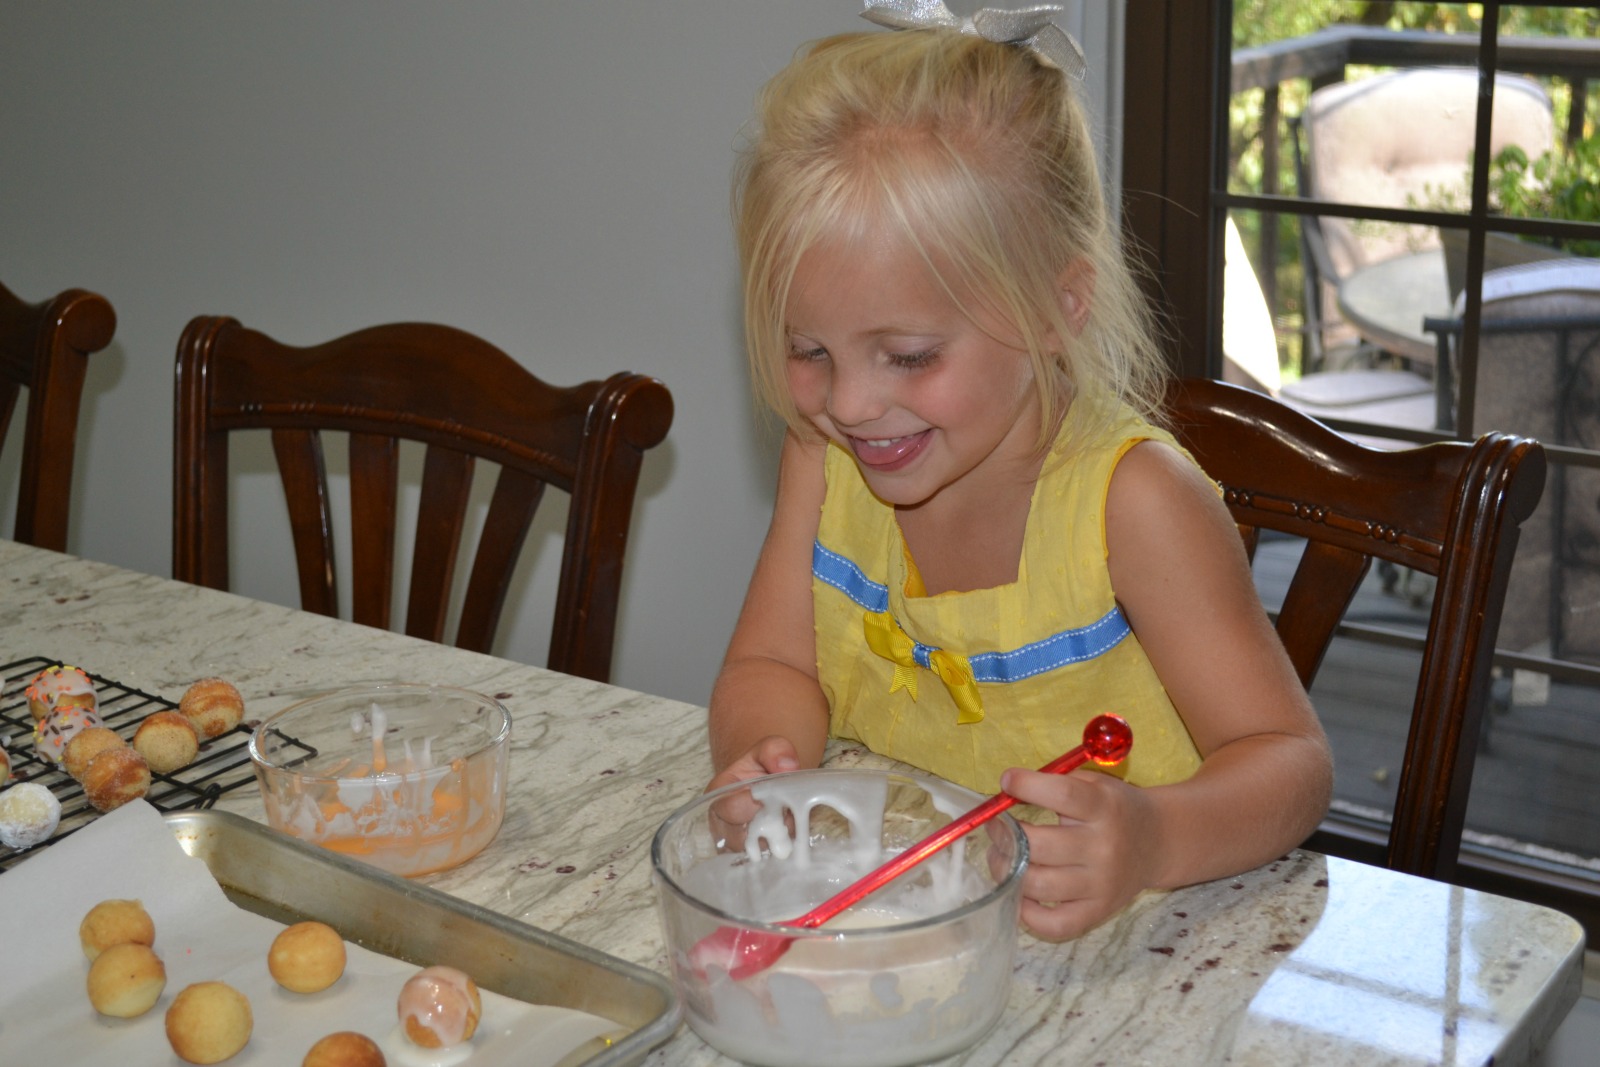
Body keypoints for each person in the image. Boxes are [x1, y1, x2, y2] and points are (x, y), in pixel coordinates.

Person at [707, 2, 1333, 942]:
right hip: (916, 923)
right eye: (809, 349)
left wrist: (1154, 839)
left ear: (1056, 306)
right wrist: (767, 765)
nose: (851, 403)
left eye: (909, 355)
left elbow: (1289, 763)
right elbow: (772, 662)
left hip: (1129, 946)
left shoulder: (1134, 504)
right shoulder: (823, 457)